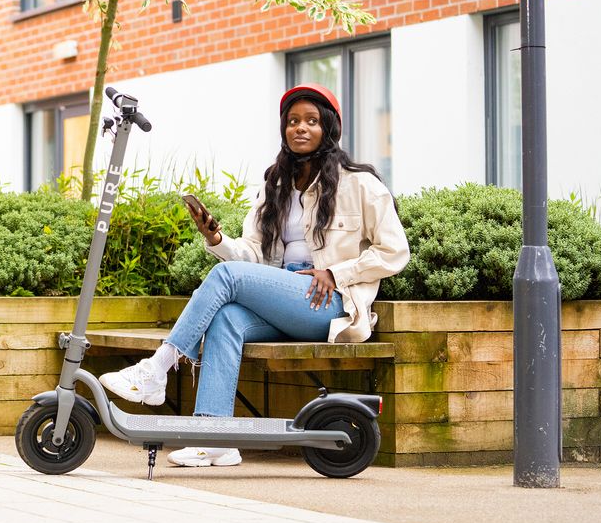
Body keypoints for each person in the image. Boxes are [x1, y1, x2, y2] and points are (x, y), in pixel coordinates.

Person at [99, 84, 410, 467]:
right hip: (282, 297)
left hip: (325, 303)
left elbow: (395, 252)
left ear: (328, 129)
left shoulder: (360, 184)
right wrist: (216, 238)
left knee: (229, 277)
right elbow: (252, 255)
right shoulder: (275, 186)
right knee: (227, 319)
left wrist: (336, 271)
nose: (300, 128)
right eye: (293, 121)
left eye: (311, 121)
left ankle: (156, 368)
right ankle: (216, 437)